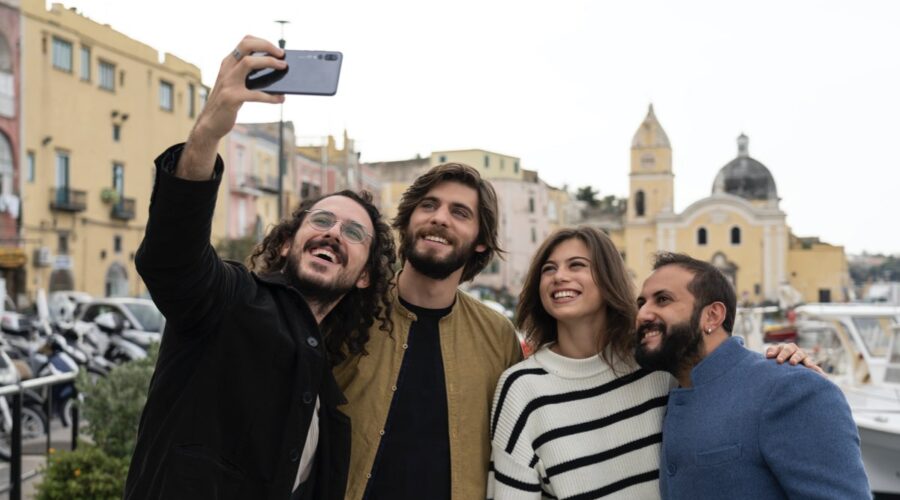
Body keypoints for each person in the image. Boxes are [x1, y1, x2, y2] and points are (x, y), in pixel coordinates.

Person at [124, 36, 397, 500]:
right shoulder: (228, 301)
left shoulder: (328, 401)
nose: (334, 233)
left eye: (354, 233)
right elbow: (171, 258)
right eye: (323, 220)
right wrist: (209, 130)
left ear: (366, 274)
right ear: (288, 241)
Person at [488, 229, 820, 499]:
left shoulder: (657, 367)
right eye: (549, 268)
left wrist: (785, 364)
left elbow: (725, 375)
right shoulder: (522, 387)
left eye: (576, 265)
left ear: (608, 280)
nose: (559, 276)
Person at [333, 163, 523, 500]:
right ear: (407, 221)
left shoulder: (498, 337)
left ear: (480, 241)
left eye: (460, 212)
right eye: (429, 205)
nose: (440, 218)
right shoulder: (349, 308)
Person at [634, 252, 870, 499]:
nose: (643, 314)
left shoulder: (792, 389)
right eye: (641, 303)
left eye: (662, 300)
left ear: (712, 315)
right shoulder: (667, 392)